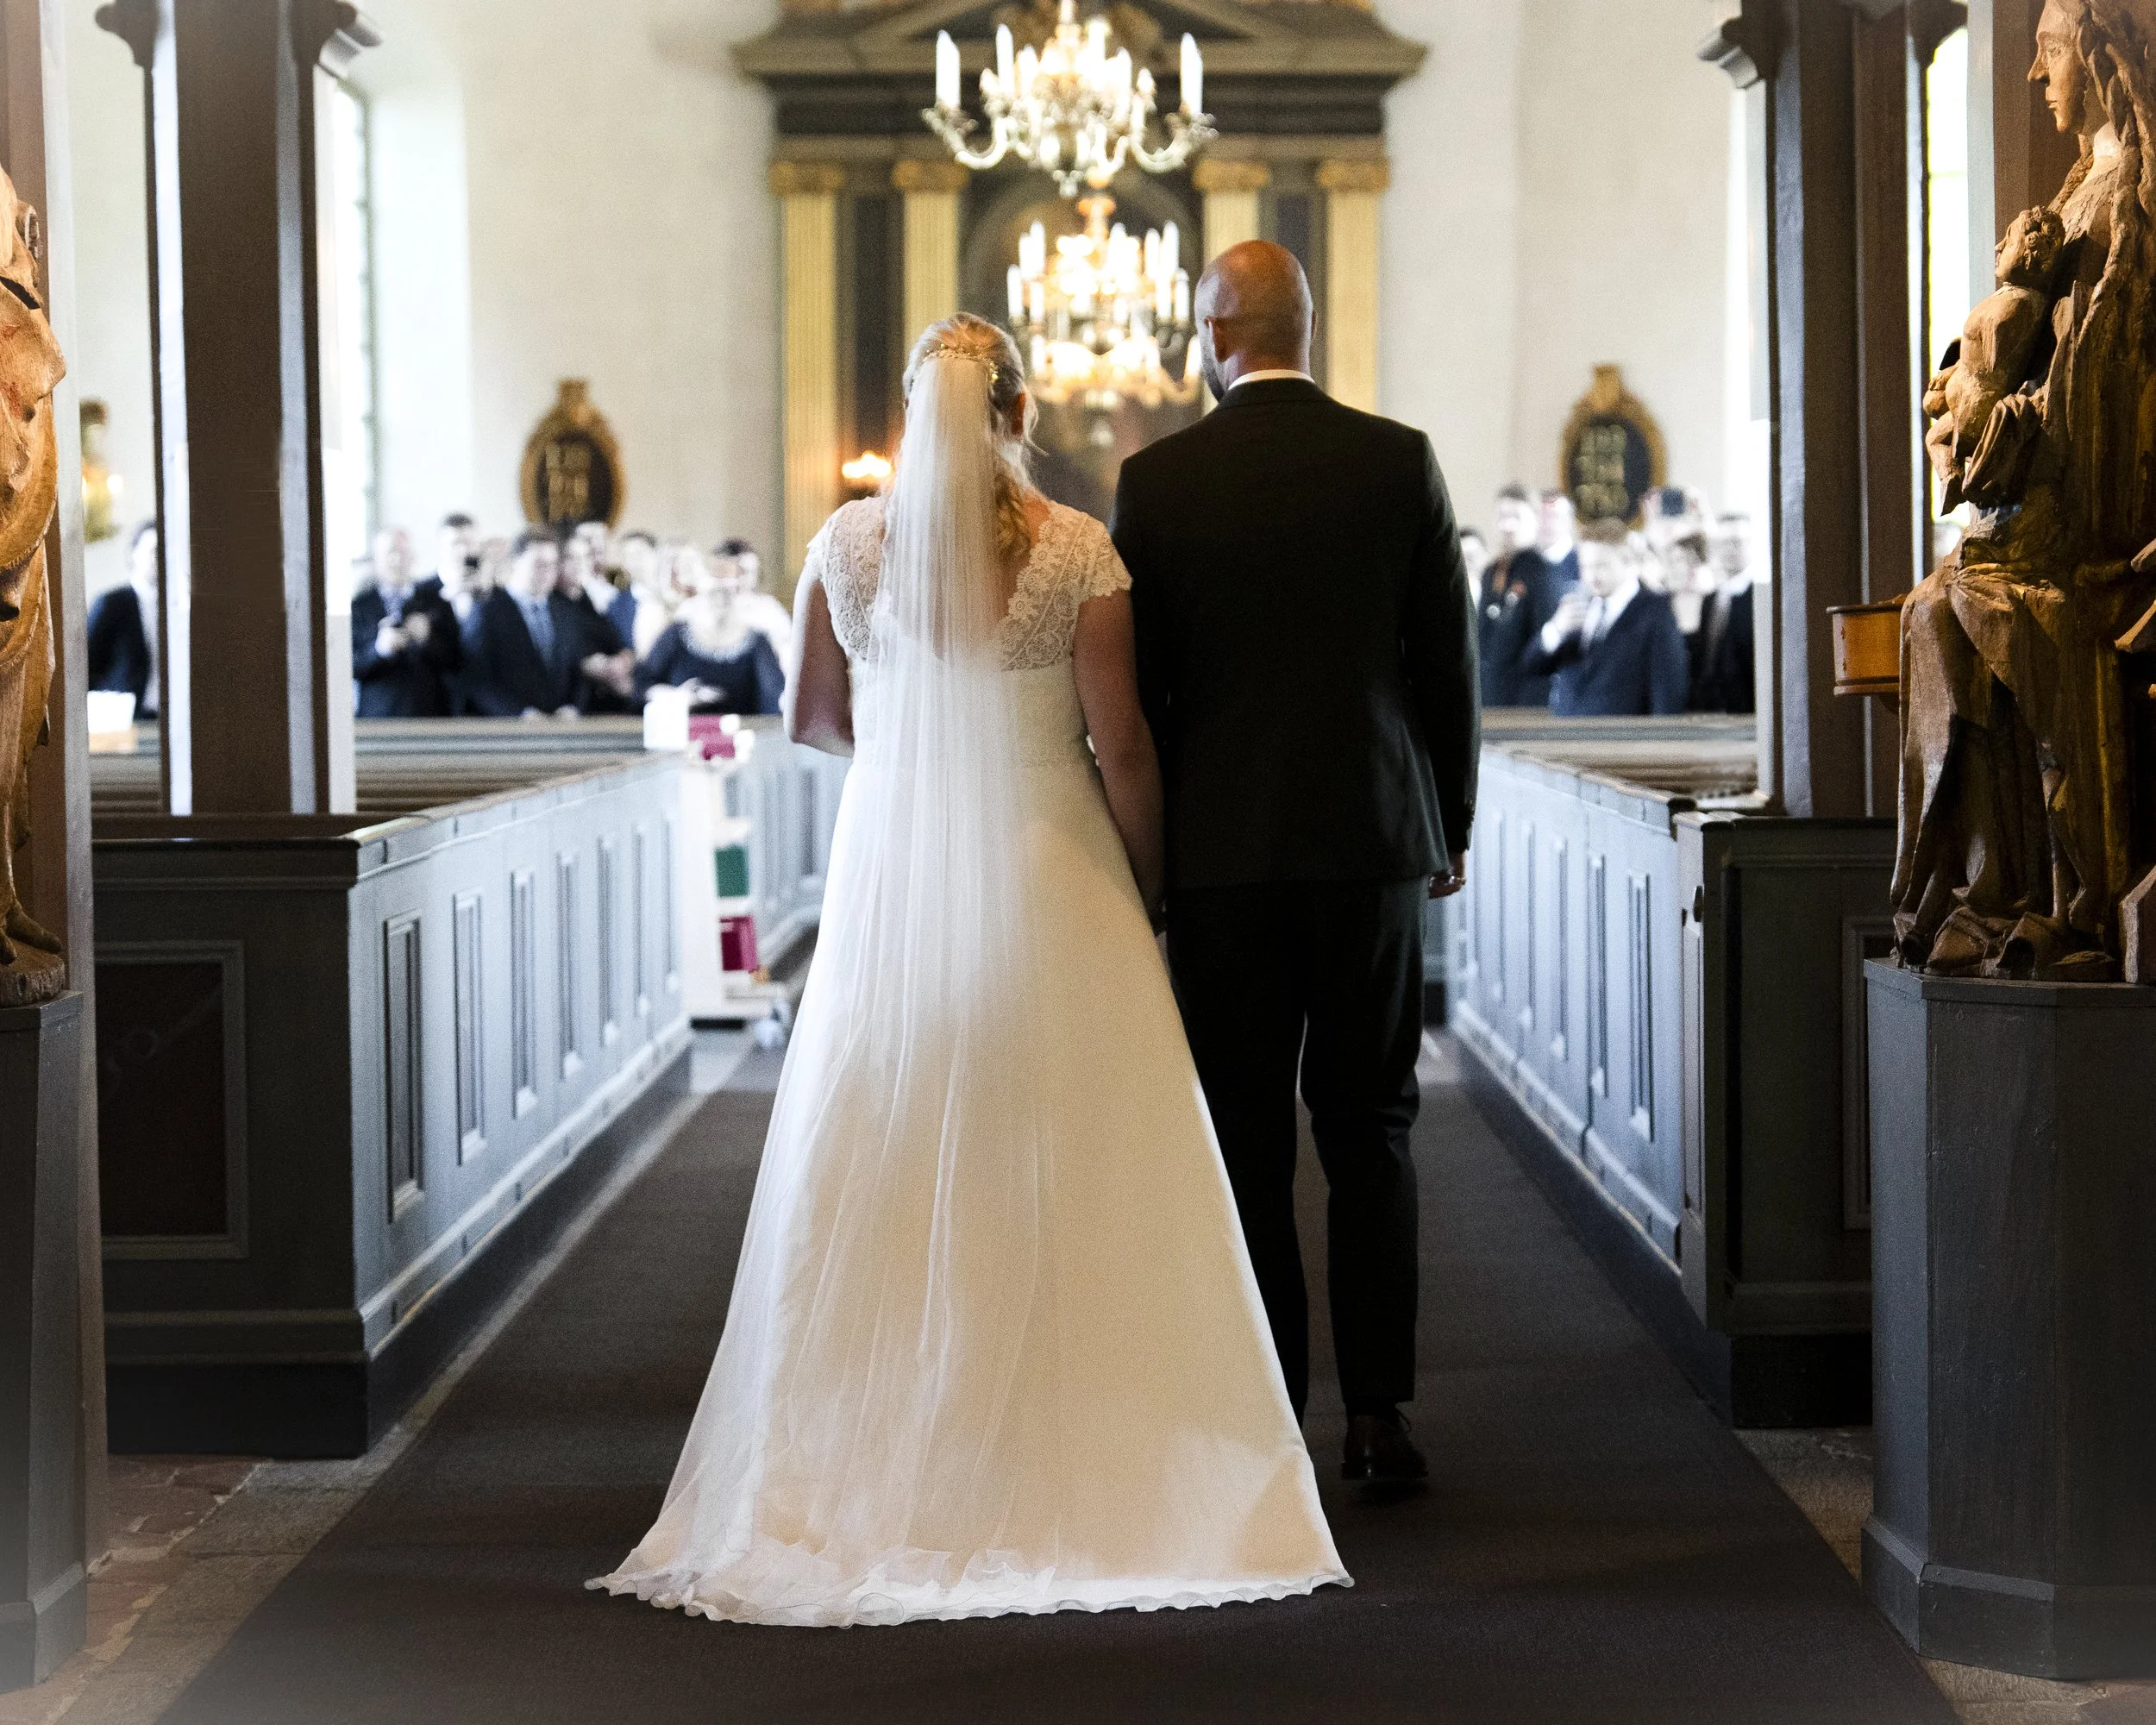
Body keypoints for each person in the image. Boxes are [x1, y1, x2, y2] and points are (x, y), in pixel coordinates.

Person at [593, 311, 1344, 1627]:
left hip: (892, 878)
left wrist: (911, 762)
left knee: (885, 1132)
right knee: (1075, 1141)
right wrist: (1147, 884)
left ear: (906, 415)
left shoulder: (845, 545)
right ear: (1018, 413)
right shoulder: (1074, 550)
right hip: (1054, 868)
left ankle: (869, 1465)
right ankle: (1102, 1451)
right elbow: (1123, 747)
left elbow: (813, 719)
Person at [1112, 241, 1479, 1485]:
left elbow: (1144, 692)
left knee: (1246, 1135)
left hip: (1221, 859)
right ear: (1305, 329)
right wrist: (1451, 825)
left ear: (1216, 336)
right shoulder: (1397, 460)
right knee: (1373, 1127)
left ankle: (1269, 1417)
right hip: (1373, 843)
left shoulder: (1158, 484)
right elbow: (1445, 665)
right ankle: (1378, 1420)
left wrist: (1148, 861)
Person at [1524, 519, 1690, 717]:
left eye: (1601, 566)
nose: (1591, 576)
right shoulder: (1575, 607)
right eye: (1585, 567)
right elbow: (1531, 668)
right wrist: (1556, 630)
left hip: (1624, 742)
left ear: (1626, 559)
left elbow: (1668, 693)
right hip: (1566, 738)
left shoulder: (1656, 611)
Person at [461, 530, 592, 718]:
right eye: (539, 564)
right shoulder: (488, 610)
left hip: (560, 728)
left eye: (553, 564)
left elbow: (577, 670)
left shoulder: (565, 610)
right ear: (515, 563)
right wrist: (521, 714)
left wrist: (573, 707)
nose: (548, 572)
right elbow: (477, 679)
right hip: (509, 731)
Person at [634, 549, 785, 714]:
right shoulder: (676, 635)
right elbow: (642, 684)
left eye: (726, 593)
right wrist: (675, 697)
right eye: (713, 593)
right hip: (681, 733)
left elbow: (773, 696)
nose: (719, 600)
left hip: (740, 734)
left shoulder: (757, 642)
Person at [351, 525, 461, 718]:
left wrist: (427, 639)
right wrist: (380, 650)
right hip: (379, 718)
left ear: (414, 557)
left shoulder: (437, 601)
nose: (397, 560)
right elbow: (350, 664)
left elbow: (457, 660)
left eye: (403, 552)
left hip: (430, 716)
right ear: (377, 560)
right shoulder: (360, 606)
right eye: (390, 553)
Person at [1477, 482, 1565, 707]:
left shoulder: (1541, 573)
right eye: (1502, 516)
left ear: (1535, 520)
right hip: (1490, 697)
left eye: (1516, 516)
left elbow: (1544, 648)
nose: (1508, 525)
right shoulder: (1492, 572)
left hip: (1524, 702)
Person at [555, 530, 636, 712]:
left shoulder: (585, 599)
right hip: (573, 699)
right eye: (571, 558)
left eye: (584, 557)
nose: (580, 564)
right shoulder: (552, 603)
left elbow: (613, 639)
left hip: (609, 689)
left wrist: (623, 659)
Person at [86, 520, 159, 715]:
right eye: (153, 551)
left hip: (167, 716)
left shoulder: (177, 608)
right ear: (134, 554)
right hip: (124, 718)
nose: (158, 559)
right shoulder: (111, 604)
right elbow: (85, 667)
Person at [1690, 514, 1757, 714]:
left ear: (1751, 545)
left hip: (1748, 712)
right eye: (1722, 543)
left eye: (1736, 542)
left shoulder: (1760, 598)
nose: (1729, 550)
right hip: (1712, 712)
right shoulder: (1710, 599)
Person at [713, 536, 794, 668]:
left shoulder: (770, 610)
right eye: (740, 572)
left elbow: (787, 655)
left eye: (752, 572)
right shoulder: (695, 609)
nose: (746, 580)